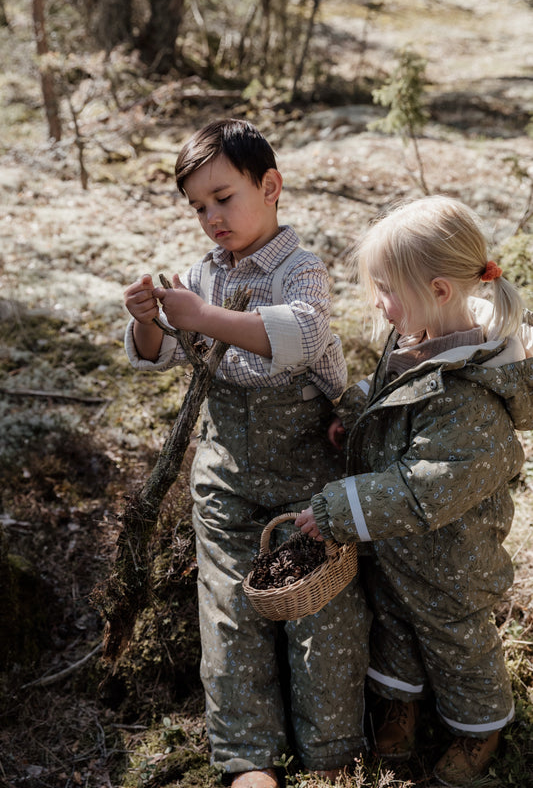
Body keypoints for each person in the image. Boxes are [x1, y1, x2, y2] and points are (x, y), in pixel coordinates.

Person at [123, 118, 371, 788]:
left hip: (307, 479)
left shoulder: (301, 268)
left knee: (320, 609)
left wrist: (201, 318)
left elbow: (299, 335)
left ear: (270, 186)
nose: (211, 217)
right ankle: (247, 759)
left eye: (223, 197)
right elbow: (162, 356)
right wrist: (151, 321)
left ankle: (330, 753)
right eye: (197, 206)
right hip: (224, 476)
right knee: (230, 612)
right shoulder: (201, 277)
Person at [294, 195, 533, 786]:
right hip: (400, 547)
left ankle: (481, 730)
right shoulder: (415, 338)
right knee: (394, 620)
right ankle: (403, 702)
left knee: (459, 645)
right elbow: (388, 401)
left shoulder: (472, 397)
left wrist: (337, 509)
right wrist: (354, 411)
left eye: (385, 287)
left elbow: (423, 488)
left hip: (452, 557)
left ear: (439, 289)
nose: (377, 301)